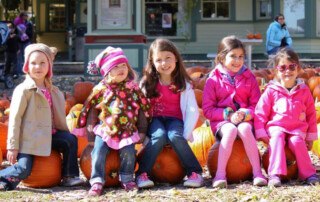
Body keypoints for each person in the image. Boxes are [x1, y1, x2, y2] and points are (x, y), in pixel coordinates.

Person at [0, 43, 84, 191]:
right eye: (33, 63)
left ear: (49, 67)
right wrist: (12, 146)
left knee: (69, 140)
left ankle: (69, 176)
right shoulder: (23, 90)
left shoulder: (52, 89)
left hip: (48, 136)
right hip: (29, 139)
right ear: (26, 66)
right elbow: (15, 119)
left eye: (42, 63)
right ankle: (4, 179)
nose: (37, 67)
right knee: (24, 169)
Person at [72, 46, 152, 196]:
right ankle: (97, 180)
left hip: (127, 130)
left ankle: (127, 178)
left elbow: (141, 110)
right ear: (107, 71)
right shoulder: (101, 90)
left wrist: (142, 131)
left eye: (123, 65)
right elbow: (92, 111)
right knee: (98, 152)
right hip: (105, 130)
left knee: (129, 153)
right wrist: (90, 135)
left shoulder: (133, 89)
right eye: (115, 67)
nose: (121, 69)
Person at [135, 38, 204, 189]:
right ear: (152, 62)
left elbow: (192, 109)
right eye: (159, 60)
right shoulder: (147, 83)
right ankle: (142, 173)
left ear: (176, 59)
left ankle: (195, 172)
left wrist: (186, 133)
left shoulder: (183, 84)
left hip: (175, 120)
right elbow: (140, 108)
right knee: (159, 136)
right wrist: (142, 132)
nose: (164, 63)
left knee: (174, 136)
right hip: (155, 120)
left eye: (168, 58)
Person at [202, 35, 267, 188]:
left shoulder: (249, 77)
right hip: (222, 122)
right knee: (230, 130)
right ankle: (220, 175)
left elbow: (257, 105)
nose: (238, 61)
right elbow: (208, 110)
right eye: (233, 56)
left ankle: (257, 173)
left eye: (241, 56)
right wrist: (228, 115)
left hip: (245, 119)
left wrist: (245, 113)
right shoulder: (213, 79)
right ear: (221, 58)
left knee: (244, 128)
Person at [254, 48, 319, 187]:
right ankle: (275, 174)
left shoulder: (304, 90)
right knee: (277, 137)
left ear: (298, 68)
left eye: (291, 67)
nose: (287, 71)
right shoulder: (271, 90)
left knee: (296, 142)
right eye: (282, 67)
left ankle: (308, 173)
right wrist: (261, 132)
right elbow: (260, 112)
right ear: (277, 71)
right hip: (277, 127)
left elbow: (311, 114)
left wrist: (311, 137)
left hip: (297, 128)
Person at [14, 11, 33, 79]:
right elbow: (14, 33)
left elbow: (31, 34)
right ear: (22, 16)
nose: (26, 16)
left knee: (27, 57)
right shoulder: (17, 23)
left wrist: (25, 32)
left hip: (26, 42)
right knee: (19, 58)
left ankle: (27, 72)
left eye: (27, 15)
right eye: (25, 15)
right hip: (19, 42)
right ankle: (19, 73)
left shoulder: (29, 24)